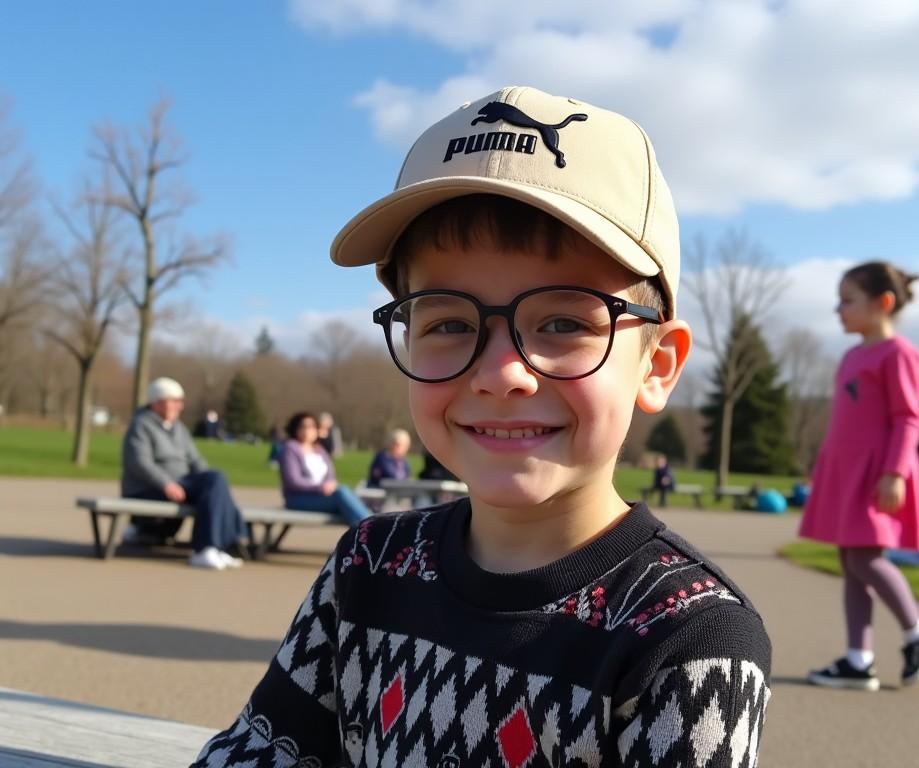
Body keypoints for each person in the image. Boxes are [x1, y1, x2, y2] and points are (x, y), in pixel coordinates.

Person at [192, 86, 770, 767]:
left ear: (658, 364)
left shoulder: (689, 636)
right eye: (449, 323)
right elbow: (260, 752)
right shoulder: (368, 566)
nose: (502, 373)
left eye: (563, 322)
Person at [799, 261, 919, 692]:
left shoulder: (898, 353)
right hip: (846, 471)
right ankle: (859, 659)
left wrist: (895, 472)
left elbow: (908, 419)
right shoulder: (851, 355)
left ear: (882, 303)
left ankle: (918, 630)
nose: (838, 309)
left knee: (865, 558)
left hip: (878, 472)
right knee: (851, 561)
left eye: (847, 300)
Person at [121, 377, 247, 570]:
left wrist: (214, 486)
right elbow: (140, 463)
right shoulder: (141, 425)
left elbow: (195, 460)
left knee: (216, 480)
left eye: (180, 401)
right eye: (175, 401)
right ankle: (206, 549)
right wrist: (166, 484)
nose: (179, 406)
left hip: (182, 483)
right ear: (157, 402)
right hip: (149, 487)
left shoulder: (179, 428)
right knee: (214, 482)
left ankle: (216, 547)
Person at [279, 411, 372, 526]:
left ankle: (368, 529)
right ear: (295, 429)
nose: (309, 429)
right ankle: (370, 530)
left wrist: (329, 485)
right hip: (298, 498)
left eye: (313, 426)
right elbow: (293, 481)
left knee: (345, 494)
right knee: (342, 493)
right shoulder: (290, 448)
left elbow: (330, 476)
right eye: (304, 426)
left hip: (323, 497)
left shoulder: (319, 450)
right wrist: (320, 487)